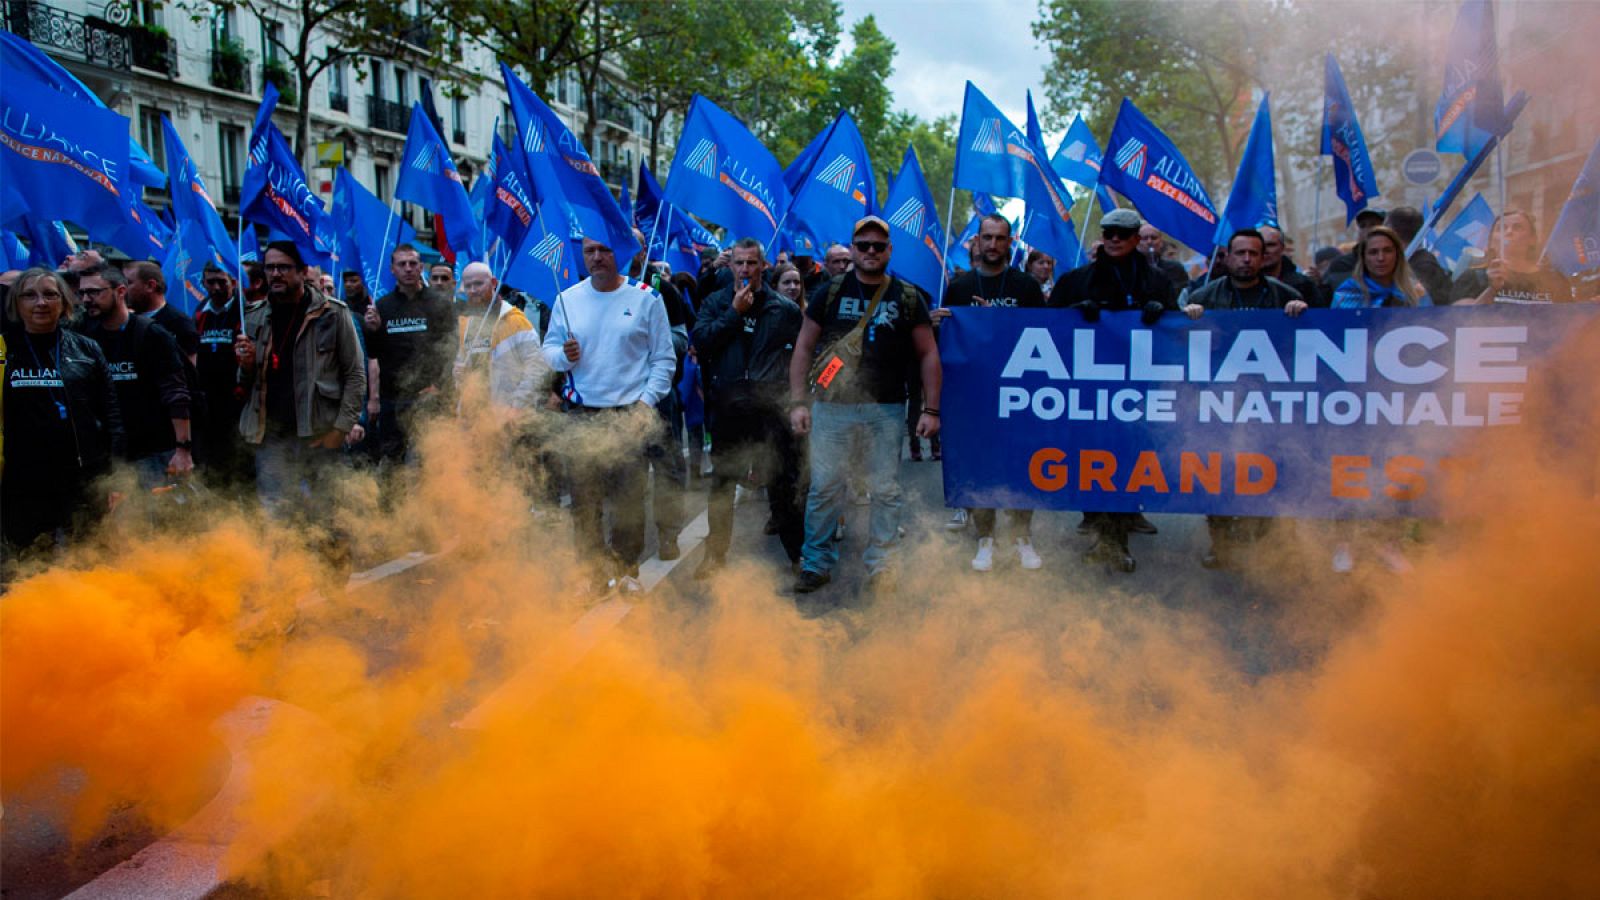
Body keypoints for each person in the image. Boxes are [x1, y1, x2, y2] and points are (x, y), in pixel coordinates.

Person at [789, 216, 941, 596]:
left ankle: (882, 565)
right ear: (853, 249)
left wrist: (932, 410)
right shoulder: (830, 291)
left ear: (889, 250)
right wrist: (798, 402)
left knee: (885, 490)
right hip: (830, 407)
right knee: (824, 487)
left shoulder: (908, 297)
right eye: (863, 245)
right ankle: (816, 563)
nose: (871, 251)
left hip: (886, 409)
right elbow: (804, 347)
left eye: (878, 245)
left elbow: (928, 354)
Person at [541, 237, 676, 594]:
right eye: (591, 251)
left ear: (623, 253)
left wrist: (645, 405)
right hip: (581, 415)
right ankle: (592, 576)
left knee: (629, 500)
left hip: (629, 415)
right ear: (583, 255)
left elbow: (664, 360)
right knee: (584, 502)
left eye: (606, 249)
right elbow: (549, 351)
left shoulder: (647, 297)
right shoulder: (566, 299)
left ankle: (627, 571)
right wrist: (564, 357)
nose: (598, 257)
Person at [1050, 208, 1177, 573]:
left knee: (1128, 462)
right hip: (1087, 394)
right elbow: (1044, 329)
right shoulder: (1076, 280)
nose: (1115, 239)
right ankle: (1101, 531)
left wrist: (1164, 311)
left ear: (1137, 238)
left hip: (1138, 392)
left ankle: (1118, 538)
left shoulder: (1156, 280)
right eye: (1108, 233)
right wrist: (1073, 313)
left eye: (1122, 234)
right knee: (1093, 462)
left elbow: (1178, 332)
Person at [1181, 229, 1310, 569]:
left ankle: (1269, 544)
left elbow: (1309, 345)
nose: (1247, 260)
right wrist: (1189, 316)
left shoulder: (1286, 296)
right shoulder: (1206, 296)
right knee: (1218, 471)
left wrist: (1302, 314)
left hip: (1270, 404)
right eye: (1240, 253)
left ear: (1264, 256)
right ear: (1227, 256)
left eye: (1254, 253)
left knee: (1270, 472)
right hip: (1220, 403)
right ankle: (1220, 543)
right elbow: (1182, 344)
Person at [933, 214, 1045, 571]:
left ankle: (1023, 538)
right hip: (974, 395)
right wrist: (939, 326)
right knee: (980, 467)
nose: (993, 245)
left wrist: (997, 324)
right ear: (976, 242)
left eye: (1000, 238)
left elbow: (1044, 339)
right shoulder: (961, 287)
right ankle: (985, 538)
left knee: (1019, 467)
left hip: (1019, 393)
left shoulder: (1026, 286)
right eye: (987, 238)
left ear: (1010, 243)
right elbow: (949, 346)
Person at [691, 238, 805, 579]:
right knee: (723, 483)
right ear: (730, 266)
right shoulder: (716, 302)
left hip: (771, 410)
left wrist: (794, 399)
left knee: (781, 484)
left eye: (751, 263)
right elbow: (702, 341)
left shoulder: (783, 309)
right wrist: (734, 314)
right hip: (729, 409)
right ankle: (715, 555)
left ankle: (798, 556)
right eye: (739, 263)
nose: (744, 269)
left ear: (763, 266)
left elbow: (800, 355)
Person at [235, 242, 366, 520]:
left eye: (283, 267)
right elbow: (245, 383)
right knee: (278, 515)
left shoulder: (333, 313)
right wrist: (245, 366)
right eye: (270, 268)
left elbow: (355, 375)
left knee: (326, 515)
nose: (275, 274)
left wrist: (340, 429)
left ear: (302, 271)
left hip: (319, 433)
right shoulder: (254, 316)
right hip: (270, 437)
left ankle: (334, 563)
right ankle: (288, 565)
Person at [2, 268, 124, 555]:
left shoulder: (87, 348)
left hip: (82, 476)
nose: (40, 302)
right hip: (22, 479)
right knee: (29, 559)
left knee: (89, 556)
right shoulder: (3, 349)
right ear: (16, 304)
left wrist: (115, 477)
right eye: (29, 295)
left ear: (65, 302)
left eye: (50, 294)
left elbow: (112, 417)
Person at [77, 264, 195, 487]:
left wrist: (183, 450)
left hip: (154, 453)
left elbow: (177, 394)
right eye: (82, 293)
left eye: (94, 292)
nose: (86, 299)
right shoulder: (84, 336)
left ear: (120, 291)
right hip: (108, 455)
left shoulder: (152, 334)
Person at [365, 244, 458, 464]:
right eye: (402, 264)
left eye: (413, 264)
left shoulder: (440, 304)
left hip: (429, 398)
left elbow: (451, 350)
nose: (408, 268)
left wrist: (439, 386)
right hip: (393, 400)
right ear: (392, 270)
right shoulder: (382, 306)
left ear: (421, 268)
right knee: (392, 466)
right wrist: (373, 331)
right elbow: (375, 353)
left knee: (431, 463)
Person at [195, 263, 249, 484]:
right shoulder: (200, 312)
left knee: (239, 460)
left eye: (222, 282)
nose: (216, 287)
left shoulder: (245, 311)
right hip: (208, 399)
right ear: (203, 283)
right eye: (211, 282)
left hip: (237, 399)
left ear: (233, 283)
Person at [1449, 209, 1573, 305]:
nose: (1509, 232)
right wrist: (1492, 290)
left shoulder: (1554, 280)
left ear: (1532, 239)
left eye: (1517, 227)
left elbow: (1569, 323)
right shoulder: (1473, 278)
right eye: (1501, 228)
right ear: (1491, 242)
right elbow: (1461, 323)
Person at [1331, 226, 1431, 308]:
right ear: (1363, 258)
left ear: (1398, 255)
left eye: (1387, 250)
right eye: (1373, 252)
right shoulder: (1347, 293)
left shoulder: (1417, 292)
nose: (1381, 258)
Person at [121, 260, 199, 363]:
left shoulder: (180, 323)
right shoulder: (125, 322)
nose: (122, 290)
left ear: (150, 286)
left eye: (128, 283)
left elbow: (188, 372)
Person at [1382, 207, 1453, 306]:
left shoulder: (1423, 265)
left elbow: (1414, 302)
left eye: (1384, 230)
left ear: (1393, 233)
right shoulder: (1406, 262)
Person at [1322, 208, 1385, 294]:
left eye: (1373, 224)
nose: (1367, 229)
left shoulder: (1397, 260)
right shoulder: (1341, 265)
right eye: (1362, 225)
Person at [1258, 226, 1324, 307]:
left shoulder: (1304, 285)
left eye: (1271, 245)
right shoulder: (1242, 285)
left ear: (1282, 248)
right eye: (1260, 246)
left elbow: (1319, 316)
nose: (1265, 250)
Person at [1138, 225, 1192, 293]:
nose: (1149, 242)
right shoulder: (1132, 268)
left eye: (1154, 238)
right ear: (1137, 242)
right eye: (1145, 238)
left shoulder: (1175, 268)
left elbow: (1184, 293)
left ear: (1161, 242)